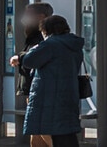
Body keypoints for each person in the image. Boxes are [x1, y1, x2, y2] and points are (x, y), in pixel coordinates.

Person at [21, 15, 85, 147]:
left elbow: (28, 61)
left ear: (46, 30)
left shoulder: (50, 44)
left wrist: (29, 51)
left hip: (49, 94)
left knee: (53, 131)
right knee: (66, 132)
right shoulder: (74, 45)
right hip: (69, 92)